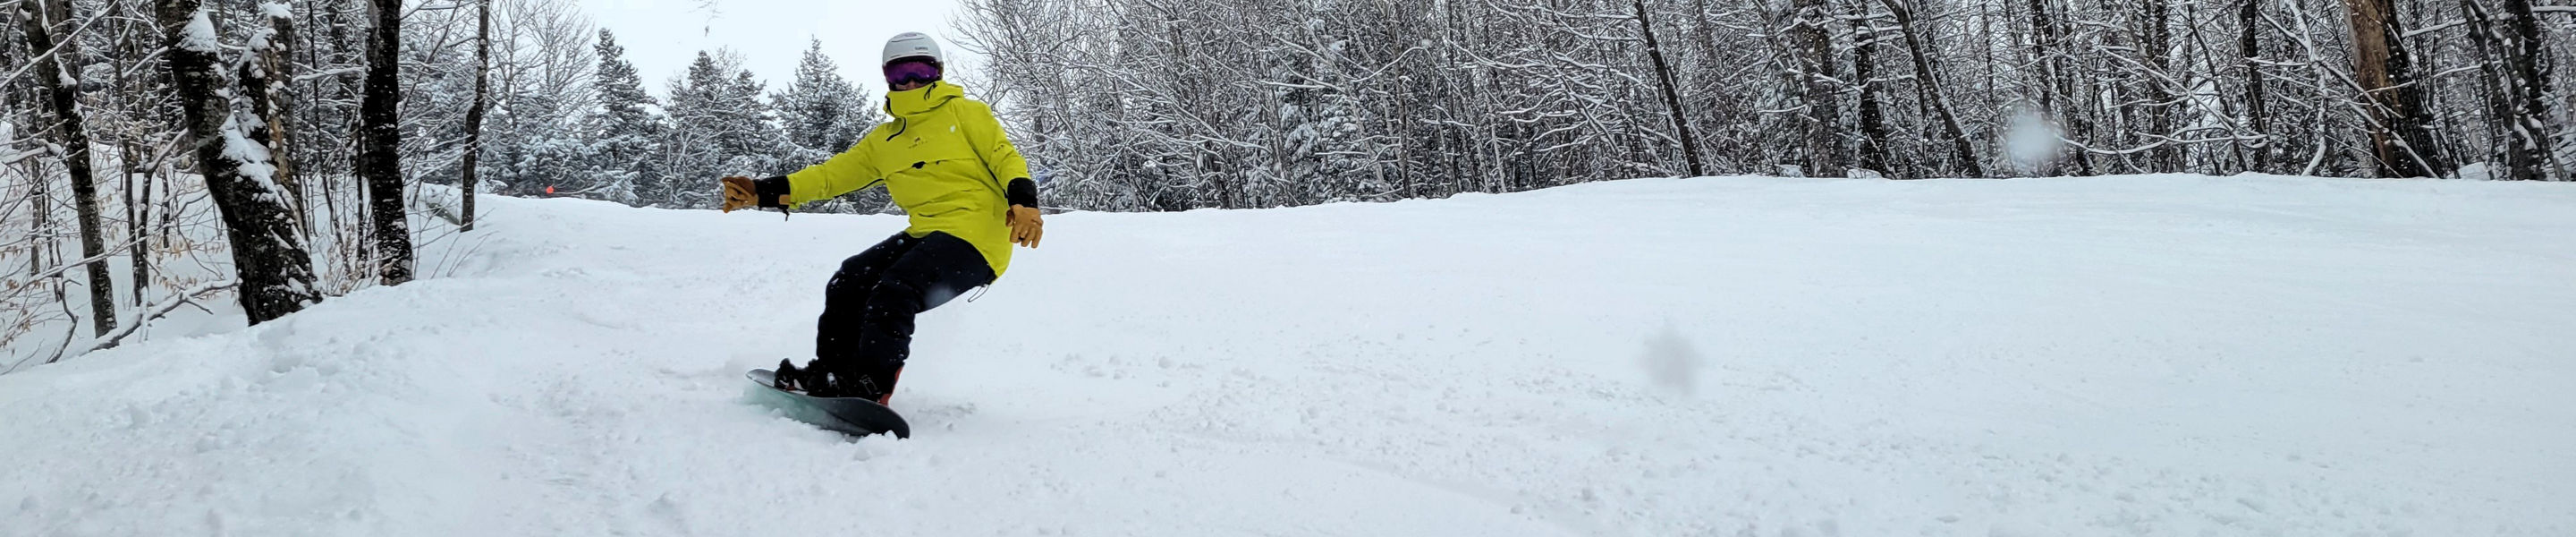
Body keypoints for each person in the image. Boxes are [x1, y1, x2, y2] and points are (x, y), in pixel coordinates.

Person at [719, 32, 1043, 405]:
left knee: (897, 287)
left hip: (979, 234)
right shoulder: (884, 141)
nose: (910, 82)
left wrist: (1024, 201)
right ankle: (834, 374)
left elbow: (1005, 156)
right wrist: (762, 191)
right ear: (887, 77)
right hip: (927, 231)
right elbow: (829, 176)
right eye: (901, 72)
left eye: (920, 71)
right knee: (850, 278)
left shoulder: (965, 113)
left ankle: (871, 386)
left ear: (937, 73)